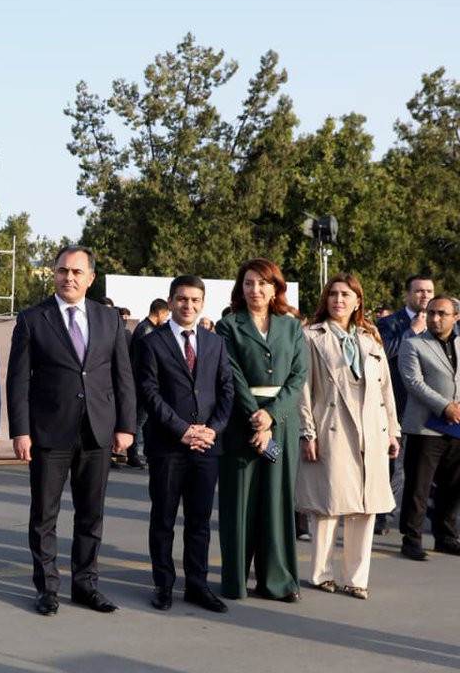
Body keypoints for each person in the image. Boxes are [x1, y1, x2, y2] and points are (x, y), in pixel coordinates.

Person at [7, 244, 135, 615]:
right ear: (55, 273)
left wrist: (126, 426)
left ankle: (86, 585)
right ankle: (47, 588)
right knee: (44, 516)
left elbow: (122, 376)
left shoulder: (109, 319)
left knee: (91, 515)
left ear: (90, 278)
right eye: (63, 270)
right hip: (49, 432)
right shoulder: (33, 318)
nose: (69, 277)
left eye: (77, 272)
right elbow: (18, 381)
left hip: (97, 430)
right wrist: (20, 431)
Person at [296, 274, 399, 599]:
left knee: (365, 506)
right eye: (333, 294)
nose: (338, 300)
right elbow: (303, 389)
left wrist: (392, 431)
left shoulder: (370, 337)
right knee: (328, 503)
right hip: (332, 425)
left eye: (345, 295)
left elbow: (386, 389)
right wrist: (307, 432)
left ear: (358, 301)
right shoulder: (311, 336)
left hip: (371, 427)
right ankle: (322, 573)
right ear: (325, 299)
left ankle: (356, 578)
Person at [133, 275, 233, 613]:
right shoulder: (151, 343)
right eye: (182, 299)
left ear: (202, 303)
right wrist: (182, 430)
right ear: (171, 300)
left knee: (199, 521)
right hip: (168, 446)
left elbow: (227, 391)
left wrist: (212, 430)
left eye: (194, 300)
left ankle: (197, 585)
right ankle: (163, 585)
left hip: (207, 447)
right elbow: (149, 393)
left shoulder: (215, 343)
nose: (188, 305)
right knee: (163, 520)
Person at [216, 259, 307, 602]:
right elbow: (231, 375)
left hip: (281, 425)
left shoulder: (292, 327)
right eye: (249, 283)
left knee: (277, 501)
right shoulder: (228, 326)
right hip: (242, 424)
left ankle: (277, 580)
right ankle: (235, 580)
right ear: (240, 288)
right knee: (239, 501)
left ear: (275, 288)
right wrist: (256, 417)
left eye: (263, 283)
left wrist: (272, 415)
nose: (256, 289)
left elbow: (298, 376)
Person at [397, 295, 460, 560]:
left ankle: (446, 536)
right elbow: (413, 382)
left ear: (456, 317)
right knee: (418, 487)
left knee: (453, 486)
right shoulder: (413, 344)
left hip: (456, 427)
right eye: (432, 313)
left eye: (442, 313)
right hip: (425, 427)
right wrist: (445, 406)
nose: (435, 318)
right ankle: (411, 539)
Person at [375, 275, 435, 535]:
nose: (425, 295)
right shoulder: (389, 323)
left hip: (430, 408)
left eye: (429, 291)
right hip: (398, 406)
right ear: (407, 294)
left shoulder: (441, 322)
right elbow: (383, 353)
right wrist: (412, 331)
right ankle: (383, 515)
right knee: (394, 466)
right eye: (419, 291)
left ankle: (427, 522)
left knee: (425, 469)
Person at [127, 297, 171, 469]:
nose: (166, 319)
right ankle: (133, 454)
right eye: (166, 315)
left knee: (144, 421)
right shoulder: (146, 330)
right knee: (139, 421)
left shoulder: (146, 328)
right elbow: (144, 359)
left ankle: (140, 453)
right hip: (142, 383)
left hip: (142, 382)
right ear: (160, 312)